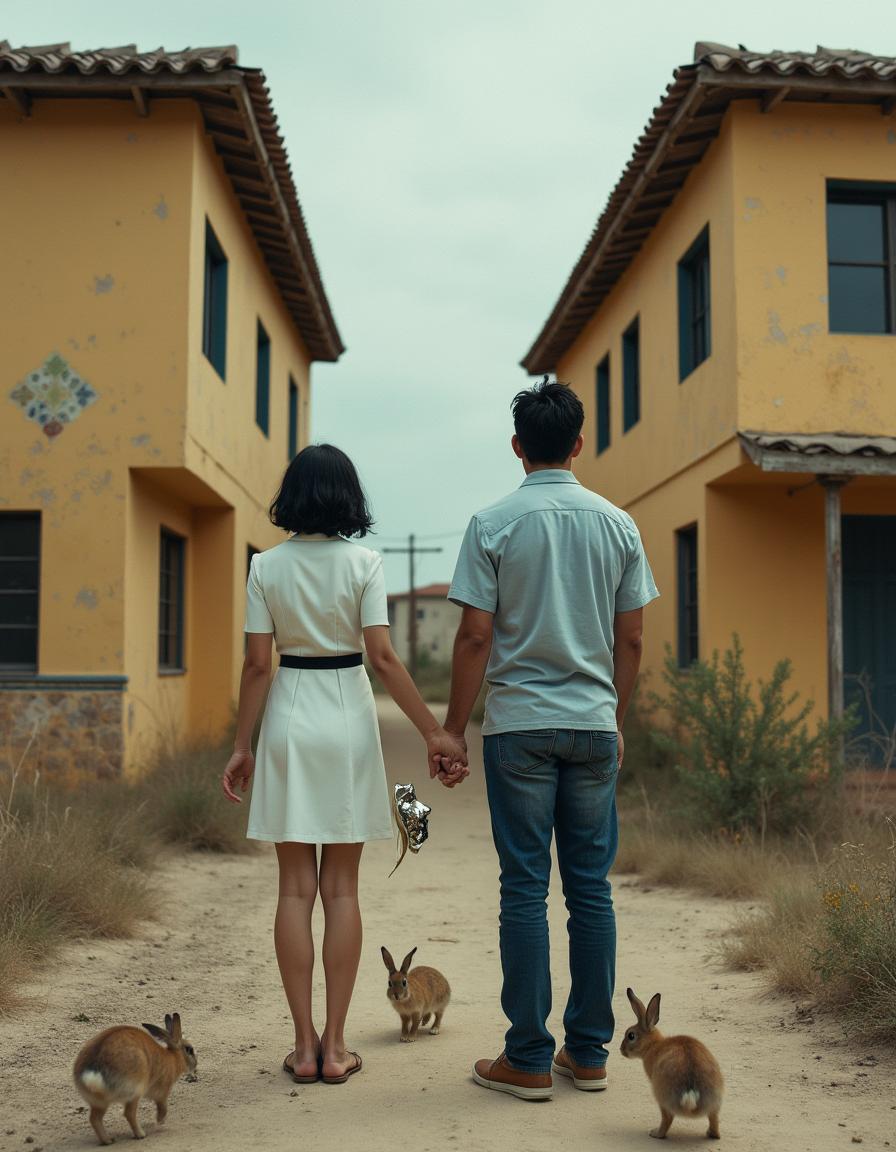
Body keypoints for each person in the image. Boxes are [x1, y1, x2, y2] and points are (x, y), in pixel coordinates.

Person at [437, 378, 658, 1101]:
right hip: (593, 725)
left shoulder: (493, 524)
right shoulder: (618, 525)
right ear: (579, 442)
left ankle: (528, 1058)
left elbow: (474, 636)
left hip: (519, 728)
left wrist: (452, 730)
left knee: (524, 889)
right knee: (590, 890)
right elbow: (632, 637)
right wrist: (614, 719)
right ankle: (589, 1052)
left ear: (516, 447)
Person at [222, 444, 467, 1086]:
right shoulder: (365, 561)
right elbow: (382, 658)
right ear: (349, 497)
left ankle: (301, 1048)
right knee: (342, 889)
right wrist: (435, 732)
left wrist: (242, 744)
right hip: (348, 719)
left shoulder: (265, 567)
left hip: (290, 718)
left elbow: (255, 665)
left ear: (291, 496)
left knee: (295, 889)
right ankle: (336, 1048)